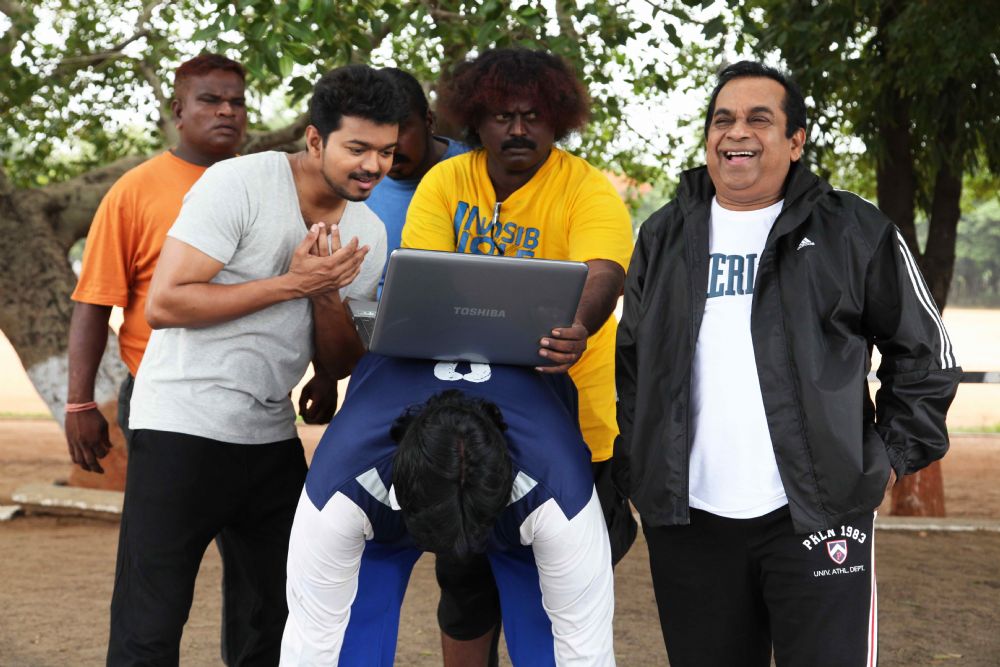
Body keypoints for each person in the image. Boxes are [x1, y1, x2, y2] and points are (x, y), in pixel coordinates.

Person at [615, 60, 962, 667]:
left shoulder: (852, 229)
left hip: (817, 513)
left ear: (795, 141)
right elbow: (634, 366)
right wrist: (644, 466)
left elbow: (925, 354)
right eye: (722, 120)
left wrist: (885, 459)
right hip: (688, 519)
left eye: (759, 119)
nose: (736, 132)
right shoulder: (664, 235)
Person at [107, 65, 408, 665]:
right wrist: (293, 283)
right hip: (180, 425)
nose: (373, 166)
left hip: (270, 434)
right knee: (151, 623)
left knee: (274, 619)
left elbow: (339, 361)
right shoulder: (239, 183)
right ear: (315, 139)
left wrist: (326, 294)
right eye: (357, 148)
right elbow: (166, 303)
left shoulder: (368, 230)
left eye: (386, 151)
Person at [401, 48, 634, 664]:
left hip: (576, 426)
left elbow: (604, 271)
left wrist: (578, 326)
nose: (519, 129)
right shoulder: (445, 182)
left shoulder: (587, 188)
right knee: (465, 588)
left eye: (534, 115)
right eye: (502, 116)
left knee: (561, 591)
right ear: (475, 120)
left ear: (559, 119)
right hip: (466, 425)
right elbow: (428, 282)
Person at [280, 354, 615, 666]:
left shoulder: (559, 496)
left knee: (546, 643)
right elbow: (312, 641)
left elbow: (584, 646)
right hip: (380, 505)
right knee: (349, 642)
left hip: (526, 501)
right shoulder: (340, 491)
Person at [66, 53, 248, 474]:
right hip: (163, 397)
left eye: (237, 102)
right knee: (169, 520)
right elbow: (94, 302)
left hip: (253, 398)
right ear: (178, 112)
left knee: (264, 519)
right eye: (210, 100)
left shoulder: (267, 183)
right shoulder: (134, 191)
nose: (227, 111)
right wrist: (79, 402)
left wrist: (324, 374)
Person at [364, 67, 469, 286]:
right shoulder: (353, 182)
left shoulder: (479, 172)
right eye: (374, 133)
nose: (388, 146)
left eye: (399, 129)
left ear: (429, 121)